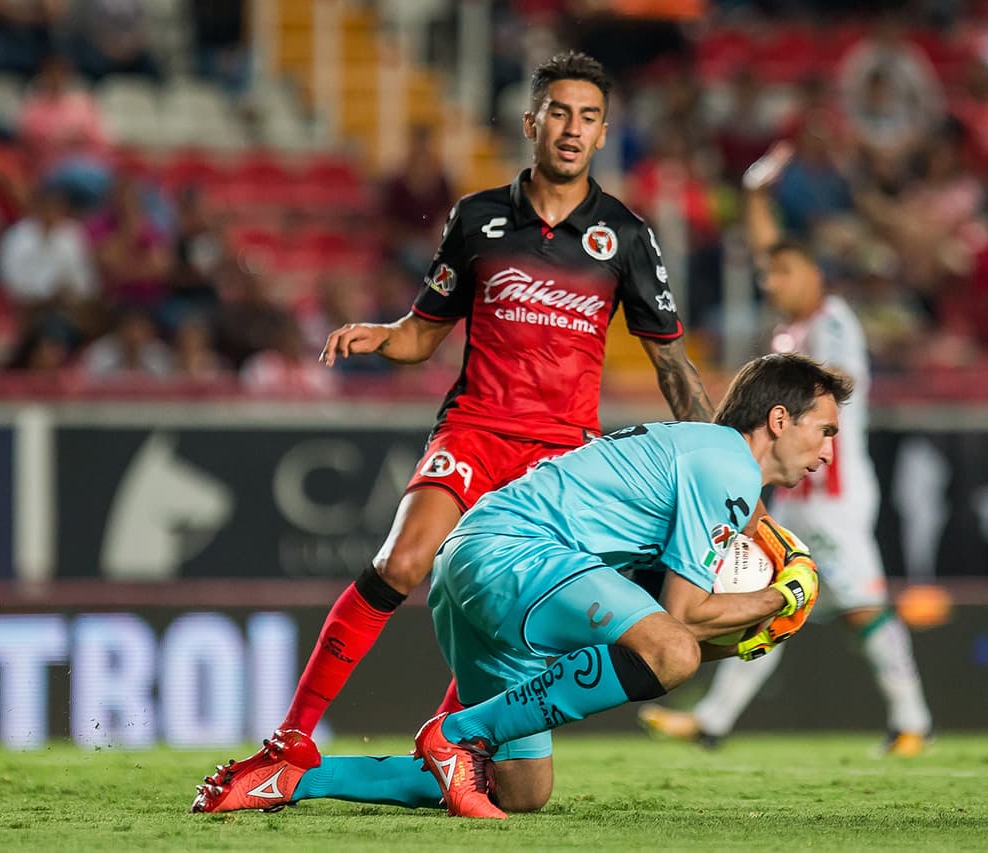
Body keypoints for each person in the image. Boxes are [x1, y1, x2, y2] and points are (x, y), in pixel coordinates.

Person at [191, 51, 715, 813]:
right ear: (532, 122)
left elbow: (671, 364)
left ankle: (443, 744)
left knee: (521, 772)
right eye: (559, 113)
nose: (572, 129)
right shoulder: (478, 218)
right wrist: (383, 335)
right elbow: (422, 333)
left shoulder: (627, 235)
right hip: (476, 428)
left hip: (563, 461)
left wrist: (718, 460)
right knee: (403, 560)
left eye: (589, 117)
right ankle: (291, 739)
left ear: (604, 134)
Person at [191, 352, 847, 818]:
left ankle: (294, 778)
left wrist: (739, 639)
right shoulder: (730, 467)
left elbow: (658, 631)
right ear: (779, 419)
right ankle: (458, 732)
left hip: (477, 564)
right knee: (667, 651)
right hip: (515, 554)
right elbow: (681, 620)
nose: (827, 451)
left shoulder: (702, 452)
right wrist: (785, 595)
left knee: (520, 788)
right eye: (825, 431)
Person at [638, 142, 934, 756]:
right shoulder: (794, 326)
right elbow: (774, 252)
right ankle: (714, 719)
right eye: (767, 276)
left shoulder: (832, 324)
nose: (770, 283)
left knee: (861, 607)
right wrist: (754, 197)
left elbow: (828, 391)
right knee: (765, 596)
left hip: (832, 497)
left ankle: (913, 721)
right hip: (795, 491)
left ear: (812, 276)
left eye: (780, 275)